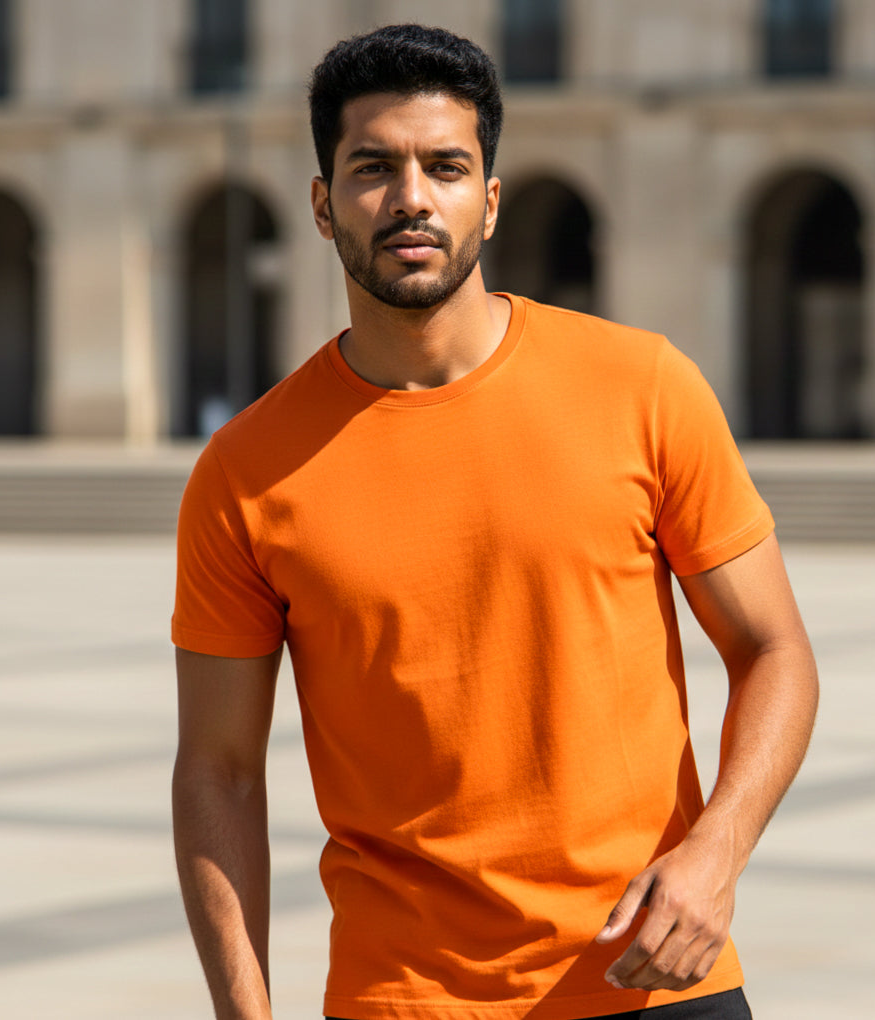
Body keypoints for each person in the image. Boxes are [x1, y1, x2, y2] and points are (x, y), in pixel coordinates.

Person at [171, 23, 819, 1020]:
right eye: (373, 168)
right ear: (321, 202)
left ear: (491, 199)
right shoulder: (245, 471)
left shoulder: (642, 387)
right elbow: (219, 768)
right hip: (402, 1000)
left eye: (446, 166)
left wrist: (715, 855)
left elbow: (774, 649)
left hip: (650, 986)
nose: (411, 198)